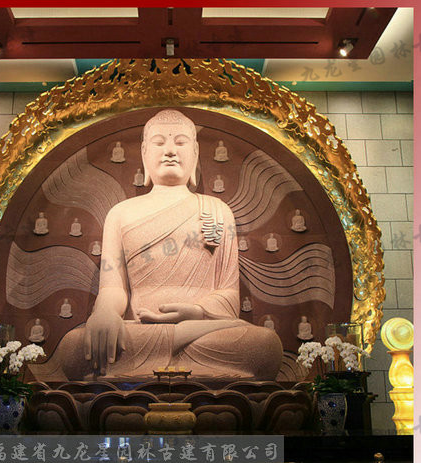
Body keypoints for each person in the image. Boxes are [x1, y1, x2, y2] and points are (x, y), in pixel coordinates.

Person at [44, 110, 283, 380]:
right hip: (140, 329)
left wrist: (196, 312)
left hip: (201, 331)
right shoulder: (121, 213)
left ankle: (141, 373)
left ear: (195, 153)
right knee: (74, 348)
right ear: (144, 153)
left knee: (264, 346)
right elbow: (113, 288)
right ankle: (201, 373)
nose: (170, 151)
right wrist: (105, 313)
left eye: (180, 142)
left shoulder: (217, 210)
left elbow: (228, 294)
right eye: (159, 143)